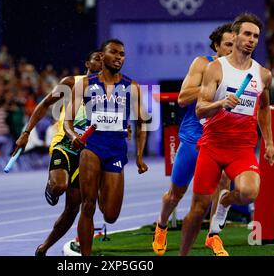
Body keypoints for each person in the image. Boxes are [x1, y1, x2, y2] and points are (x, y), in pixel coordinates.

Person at [179, 13, 274, 256]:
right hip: (212, 146)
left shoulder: (263, 74)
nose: (251, 39)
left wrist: (269, 143)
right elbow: (200, 108)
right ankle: (183, 253)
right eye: (246, 34)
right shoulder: (215, 68)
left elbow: (264, 108)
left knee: (248, 192)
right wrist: (220, 103)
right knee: (198, 208)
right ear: (236, 36)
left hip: (242, 149)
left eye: (256, 36)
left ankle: (224, 200)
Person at [152, 23, 234, 256]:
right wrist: (212, 83)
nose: (231, 49)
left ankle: (213, 236)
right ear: (217, 46)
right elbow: (182, 98)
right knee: (175, 194)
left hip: (220, 138)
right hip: (194, 136)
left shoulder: (240, 69)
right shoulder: (202, 63)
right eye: (227, 44)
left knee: (223, 184)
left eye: (234, 45)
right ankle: (162, 224)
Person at [64, 39, 149, 256]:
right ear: (102, 56)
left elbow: (142, 122)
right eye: (114, 52)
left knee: (111, 215)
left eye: (122, 53)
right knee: (88, 205)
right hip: (92, 146)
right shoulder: (85, 84)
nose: (119, 57)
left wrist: (139, 157)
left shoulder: (132, 86)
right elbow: (68, 121)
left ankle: (101, 186)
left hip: (116, 150)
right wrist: (74, 136)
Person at [13, 51, 103, 256]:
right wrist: (26, 133)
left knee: (72, 209)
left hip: (89, 152)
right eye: (96, 57)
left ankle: (44, 247)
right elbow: (45, 104)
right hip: (65, 142)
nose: (100, 60)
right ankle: (51, 187)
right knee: (59, 186)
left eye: (102, 58)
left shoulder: (110, 89)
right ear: (87, 63)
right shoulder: (71, 82)